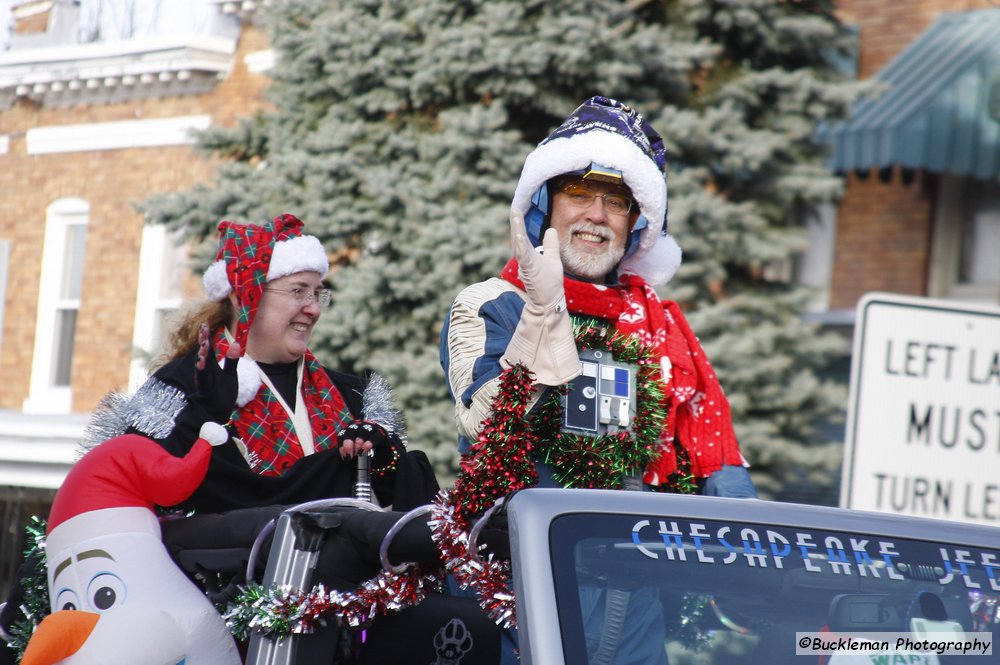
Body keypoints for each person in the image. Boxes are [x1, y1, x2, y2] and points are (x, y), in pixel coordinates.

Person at [440, 96, 756, 664]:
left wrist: (772, 581)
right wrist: (541, 316)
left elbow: (722, 480)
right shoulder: (492, 304)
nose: (596, 214)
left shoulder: (657, 330)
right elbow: (483, 417)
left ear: (637, 224)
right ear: (545, 205)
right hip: (516, 593)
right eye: (579, 194)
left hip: (637, 604)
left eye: (615, 202)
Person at [130, 213, 439, 514]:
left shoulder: (351, 395)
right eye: (298, 291)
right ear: (242, 297)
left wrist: (383, 454)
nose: (314, 309)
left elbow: (404, 508)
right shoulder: (180, 389)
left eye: (318, 294)